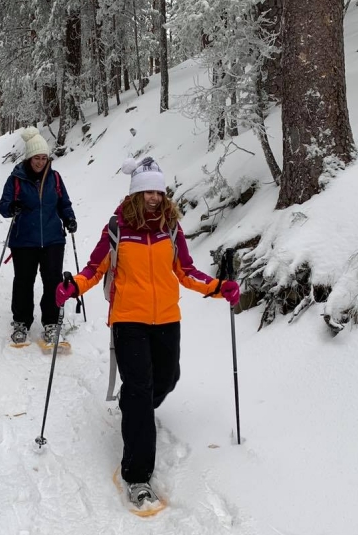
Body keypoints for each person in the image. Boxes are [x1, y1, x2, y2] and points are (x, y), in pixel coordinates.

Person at [54, 156, 239, 508]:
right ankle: (137, 476)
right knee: (140, 391)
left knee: (167, 379)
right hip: (128, 319)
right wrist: (73, 287)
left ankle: (133, 405)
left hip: (167, 318)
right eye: (147, 191)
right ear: (136, 194)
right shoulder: (118, 228)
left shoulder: (171, 228)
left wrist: (219, 287)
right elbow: (94, 268)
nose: (154, 197)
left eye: (158, 191)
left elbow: (186, 270)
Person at [0, 127, 77, 346]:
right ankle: (21, 322)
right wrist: (11, 207)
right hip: (24, 240)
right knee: (24, 281)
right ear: (29, 158)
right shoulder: (16, 179)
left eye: (44, 158)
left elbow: (64, 203)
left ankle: (51, 322)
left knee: (52, 280)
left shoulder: (55, 178)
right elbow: (3, 207)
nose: (41, 162)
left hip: (53, 239)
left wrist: (69, 218)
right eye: (36, 158)